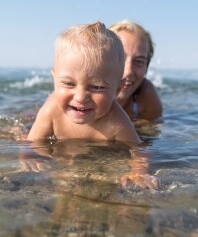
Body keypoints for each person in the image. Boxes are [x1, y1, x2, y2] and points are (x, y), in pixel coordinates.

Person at [26, 21, 158, 189]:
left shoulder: (117, 121)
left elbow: (139, 149)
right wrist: (30, 156)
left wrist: (139, 171)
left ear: (117, 88)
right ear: (54, 79)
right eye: (68, 83)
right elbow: (32, 142)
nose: (81, 97)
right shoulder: (51, 109)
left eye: (97, 87)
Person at [110, 20, 162, 121]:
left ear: (146, 67)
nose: (129, 71)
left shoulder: (146, 97)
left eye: (139, 61)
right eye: (120, 58)